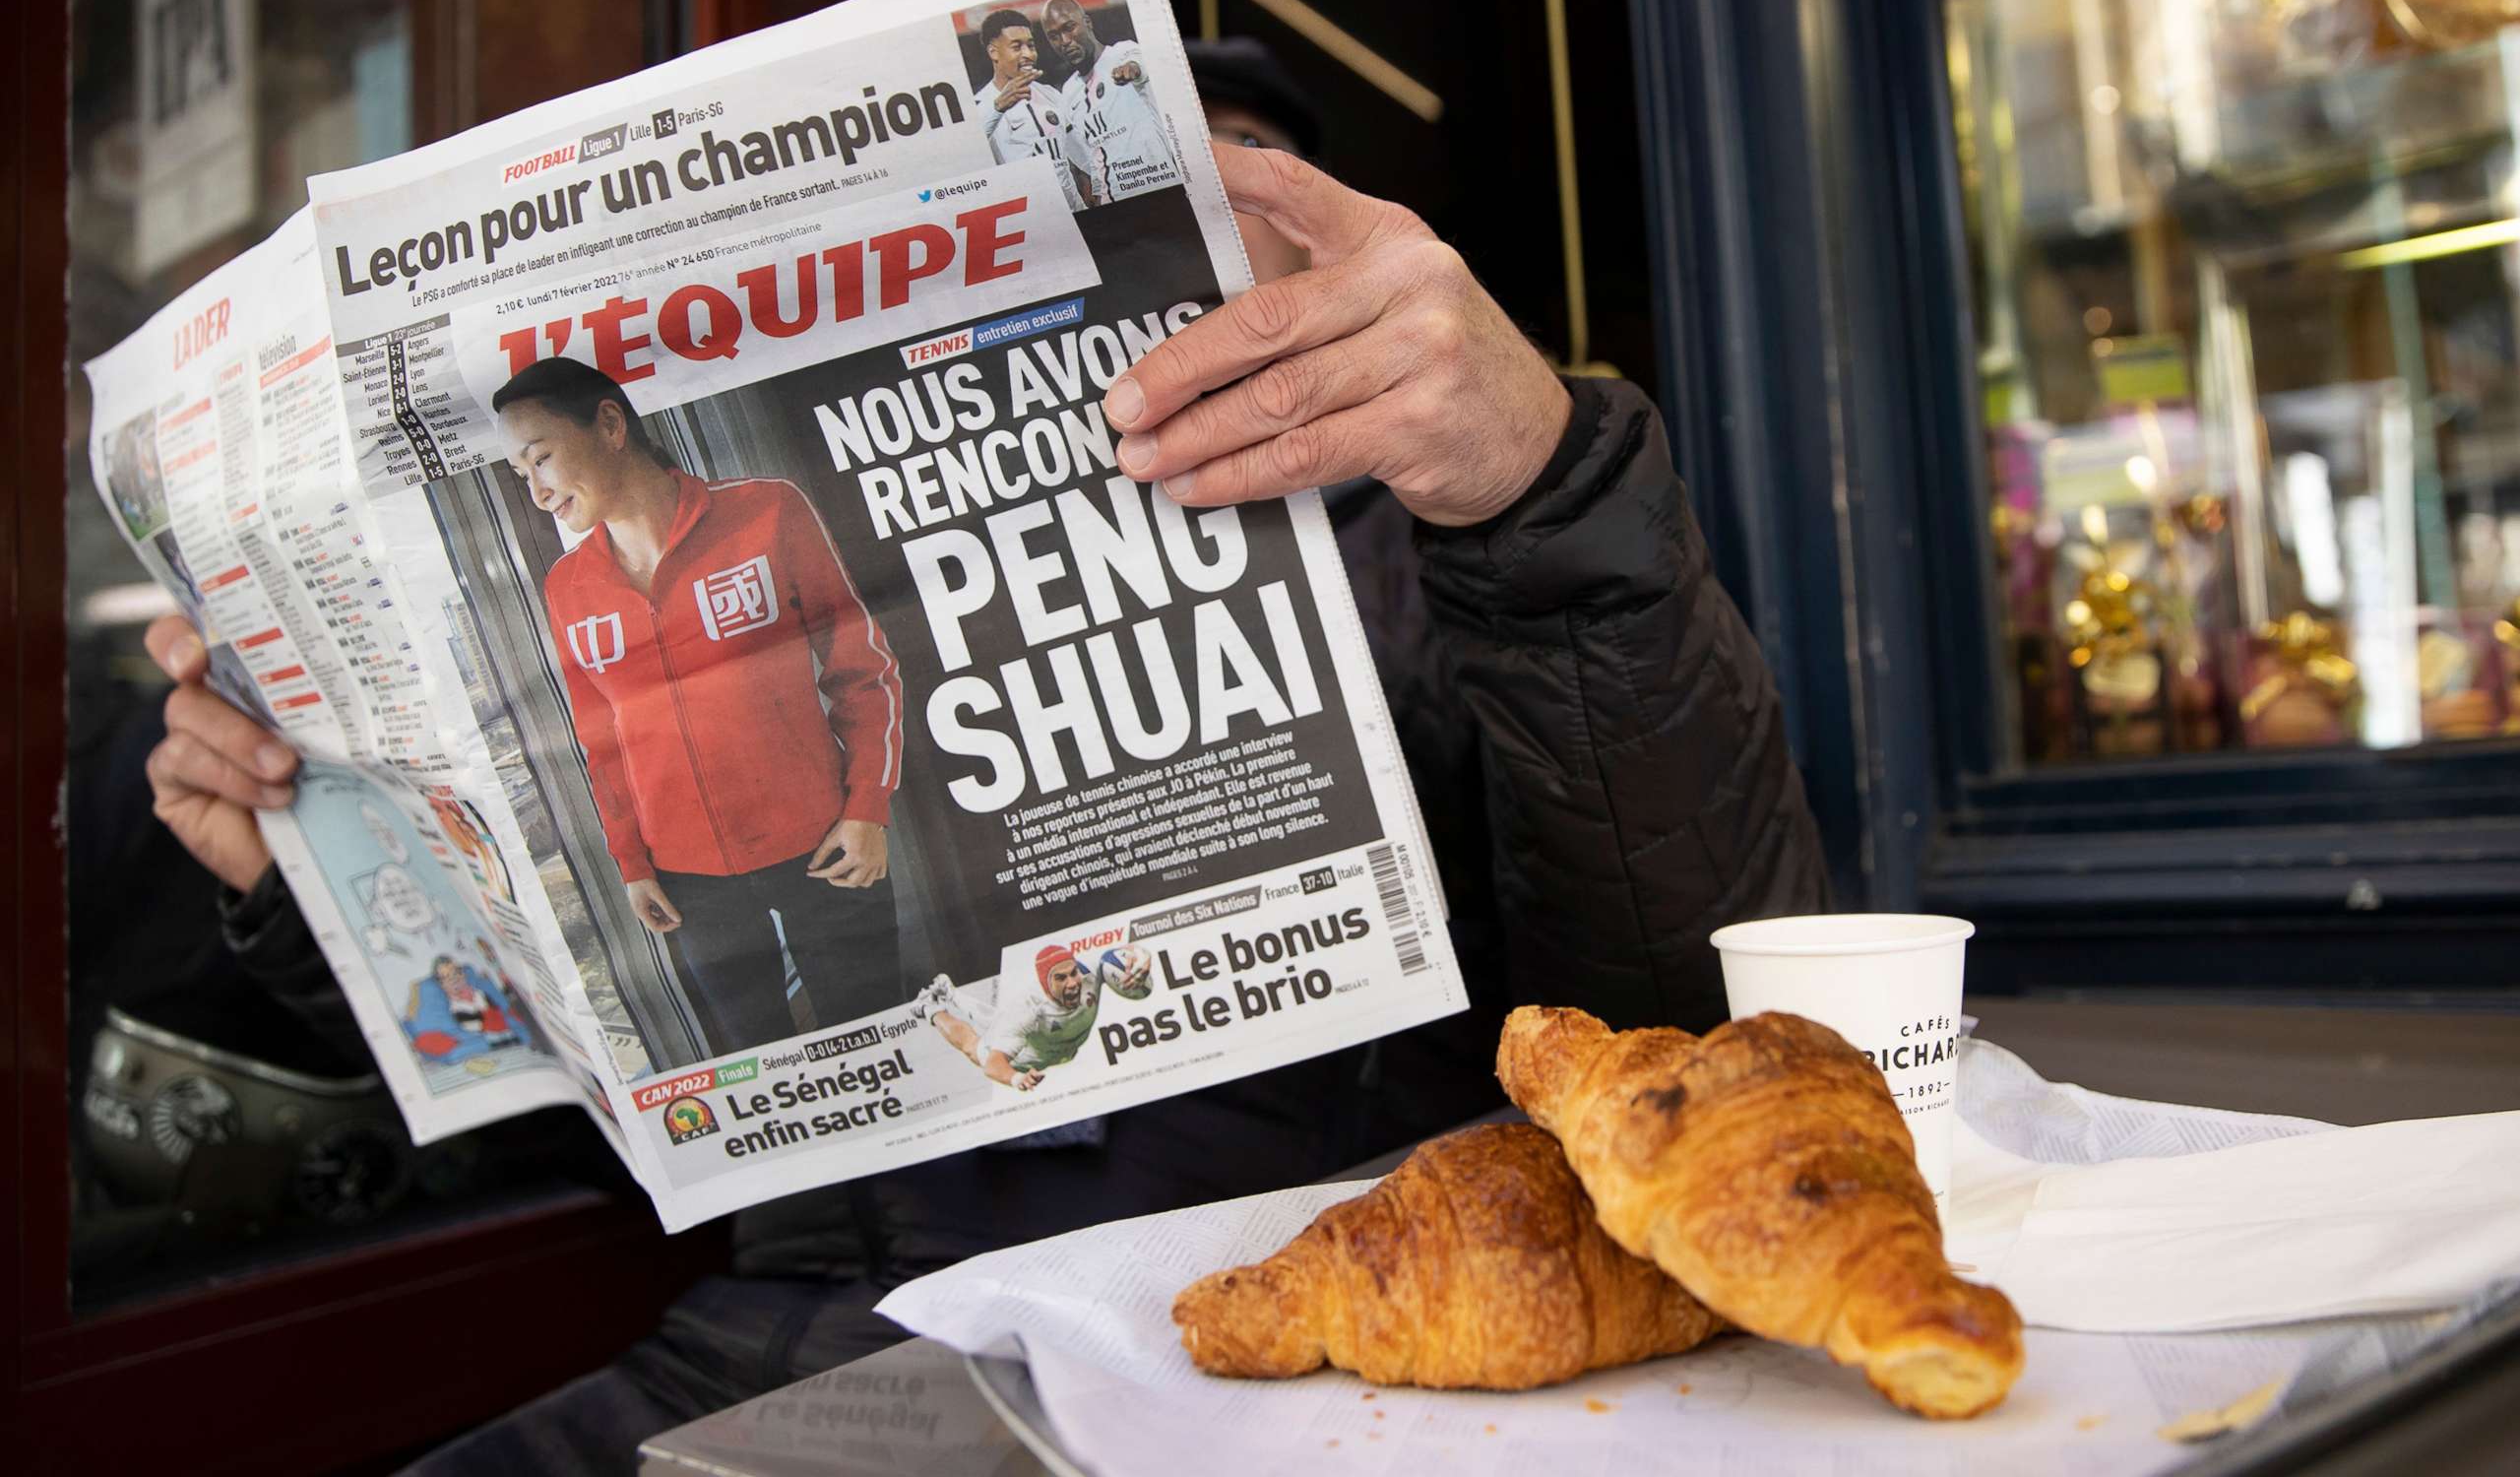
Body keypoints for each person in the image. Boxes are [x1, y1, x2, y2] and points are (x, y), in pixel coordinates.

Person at [141, 119, 1829, 1469]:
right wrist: (314, 883)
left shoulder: (1430, 564)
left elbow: (1711, 1005)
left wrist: (1551, 504)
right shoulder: (672, 586)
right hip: (810, 1332)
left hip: (1264, 1326)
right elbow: (612, 1128)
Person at [495, 355, 907, 1053]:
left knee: (882, 1044)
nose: (536, 491)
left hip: (825, 843)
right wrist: (631, 863)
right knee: (754, 1065)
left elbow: (863, 667)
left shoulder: (768, 510)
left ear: (610, 423)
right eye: (519, 475)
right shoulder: (568, 586)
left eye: (541, 459)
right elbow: (600, 741)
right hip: (689, 885)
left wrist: (867, 806)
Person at [1040, 0, 1180, 204]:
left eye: (1069, 28)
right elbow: (1086, 154)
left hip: (1161, 188)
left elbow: (1139, 64)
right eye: (1054, 36)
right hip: (1113, 201)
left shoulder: (1123, 52)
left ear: (1087, 23)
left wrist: (1132, 70)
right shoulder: (1069, 92)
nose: (1065, 41)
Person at [911, 948, 1101, 1091]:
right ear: (1046, 982)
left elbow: (1117, 955)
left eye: (1074, 973)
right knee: (973, 1049)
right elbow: (993, 1066)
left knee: (994, 1020)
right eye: (1061, 978)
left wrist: (1130, 963)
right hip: (1023, 1059)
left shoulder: (1089, 974)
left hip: (1044, 1043)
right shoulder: (1028, 1011)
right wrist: (1016, 1078)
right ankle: (930, 1007)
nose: (1073, 983)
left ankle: (950, 993)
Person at [971, 7, 1098, 210]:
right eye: (1017, 47)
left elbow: (1078, 149)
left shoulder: (1050, 94)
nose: (1028, 54)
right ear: (993, 52)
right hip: (1031, 220)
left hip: (1075, 210)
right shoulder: (980, 106)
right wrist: (997, 108)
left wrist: (1097, 185)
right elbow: (969, 158)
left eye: (1031, 45)